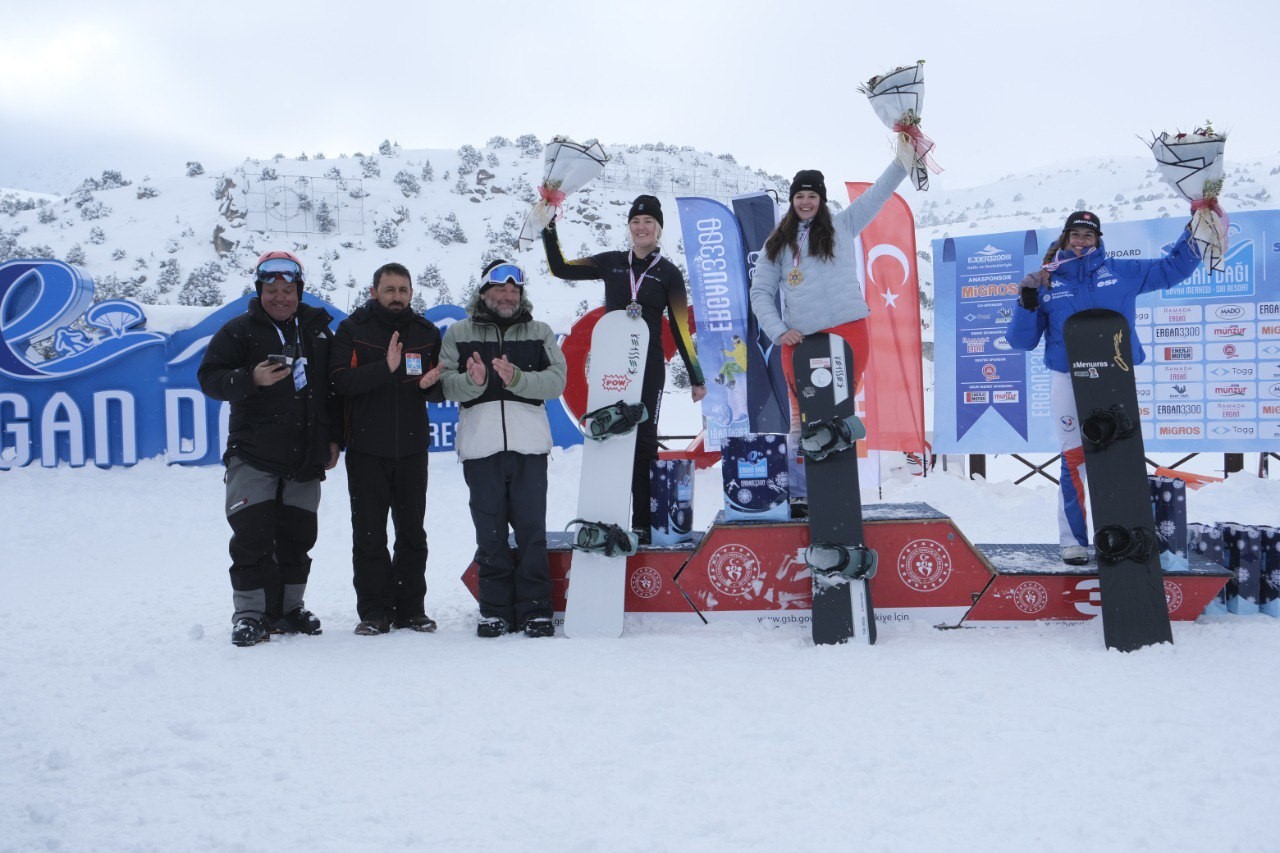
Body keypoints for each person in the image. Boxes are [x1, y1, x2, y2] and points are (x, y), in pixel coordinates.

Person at [1007, 211, 1202, 564]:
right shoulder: (1047, 281)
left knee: (1120, 454)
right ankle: (1073, 541)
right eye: (1075, 234)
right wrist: (1027, 301)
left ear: (1098, 240)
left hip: (1115, 377)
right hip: (1068, 379)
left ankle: (1122, 537)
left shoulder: (1122, 271)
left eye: (1088, 235)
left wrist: (1197, 229)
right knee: (1074, 460)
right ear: (1065, 238)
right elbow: (1022, 341)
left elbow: (1173, 268)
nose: (1081, 241)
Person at [748, 158, 910, 512]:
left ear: (821, 199)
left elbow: (880, 192)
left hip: (849, 334)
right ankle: (800, 494)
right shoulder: (777, 244)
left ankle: (837, 493)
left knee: (836, 413)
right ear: (792, 200)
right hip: (800, 341)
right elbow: (760, 292)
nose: (805, 202)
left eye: (812, 196)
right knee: (801, 418)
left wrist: (903, 159)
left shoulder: (843, 225)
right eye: (799, 196)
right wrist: (778, 331)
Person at [198, 250, 341, 647]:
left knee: (298, 538)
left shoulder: (318, 332)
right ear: (259, 291)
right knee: (252, 538)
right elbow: (209, 379)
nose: (281, 297)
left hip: (304, 456)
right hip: (254, 454)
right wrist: (250, 378)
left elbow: (331, 392)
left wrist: (333, 437)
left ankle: (289, 609)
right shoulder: (238, 331)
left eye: (288, 290)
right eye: (272, 290)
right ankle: (250, 615)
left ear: (299, 292)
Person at [543, 195, 705, 543]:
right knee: (610, 436)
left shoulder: (668, 273)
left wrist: (696, 377)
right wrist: (548, 227)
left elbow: (680, 327)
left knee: (644, 442)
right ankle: (607, 518)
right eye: (635, 221)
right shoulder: (611, 263)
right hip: (611, 365)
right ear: (629, 227)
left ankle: (642, 525)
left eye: (648, 222)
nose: (641, 227)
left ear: (658, 229)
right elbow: (561, 268)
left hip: (648, 367)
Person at [440, 260, 567, 638]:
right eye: (500, 289)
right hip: (480, 449)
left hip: (530, 448)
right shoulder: (458, 333)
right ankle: (494, 611)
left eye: (515, 290)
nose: (509, 295)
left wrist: (518, 379)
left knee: (531, 532)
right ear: (484, 292)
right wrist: (474, 381)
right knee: (490, 533)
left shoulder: (540, 332)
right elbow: (446, 384)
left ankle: (535, 610)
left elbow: (557, 381)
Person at [329, 262, 444, 636]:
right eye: (389, 289)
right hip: (367, 450)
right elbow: (339, 381)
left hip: (412, 450)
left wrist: (430, 386)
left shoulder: (426, 332)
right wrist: (385, 367)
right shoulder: (352, 330)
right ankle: (375, 611)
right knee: (369, 535)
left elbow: (438, 387)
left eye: (403, 290)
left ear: (411, 293)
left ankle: (411, 609)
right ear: (373, 292)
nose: (397, 296)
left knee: (412, 533)